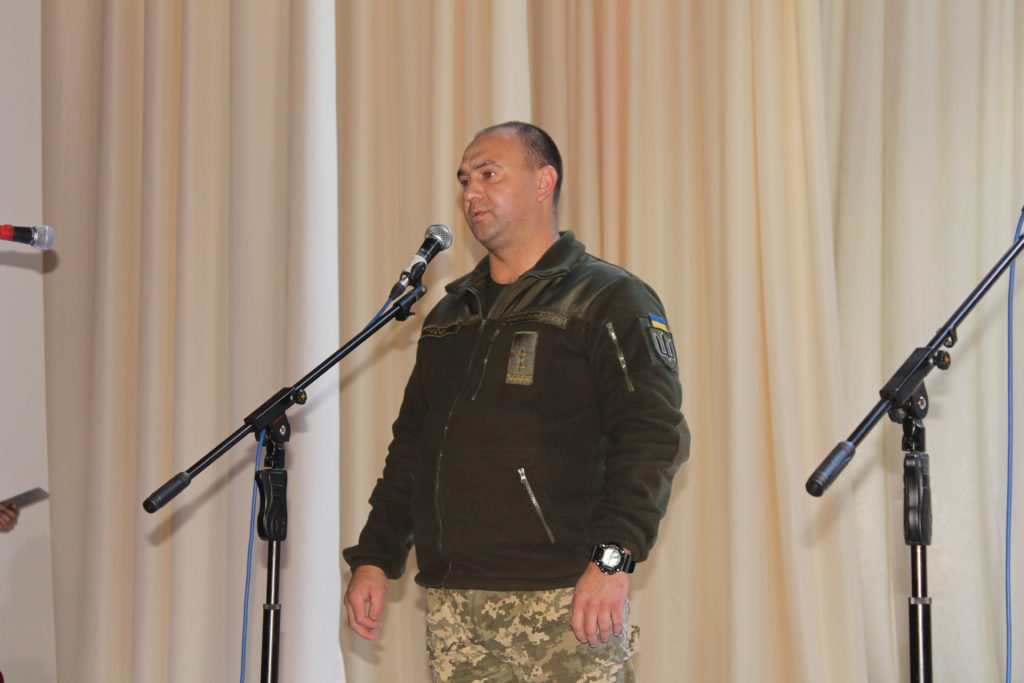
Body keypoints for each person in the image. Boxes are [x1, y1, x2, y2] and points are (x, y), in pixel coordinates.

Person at [343, 121, 690, 681]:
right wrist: (374, 558)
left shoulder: (608, 297)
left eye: (489, 174)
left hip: (565, 597)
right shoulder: (451, 314)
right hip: (455, 603)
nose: (471, 193)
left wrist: (611, 561)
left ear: (543, 182)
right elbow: (412, 447)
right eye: (464, 180)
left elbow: (652, 437)